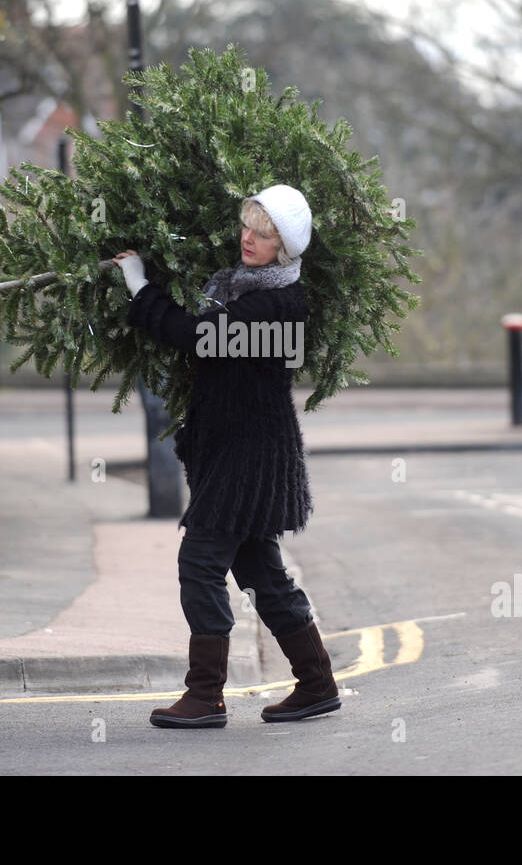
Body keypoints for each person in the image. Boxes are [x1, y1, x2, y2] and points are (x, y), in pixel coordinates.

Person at [111, 184, 341, 729]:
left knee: (200, 561)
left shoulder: (274, 305)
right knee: (262, 573)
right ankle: (317, 683)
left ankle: (206, 694)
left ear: (284, 246)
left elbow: (196, 338)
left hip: (251, 456)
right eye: (248, 225)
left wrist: (140, 288)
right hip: (245, 450)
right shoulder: (244, 289)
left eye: (264, 233)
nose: (249, 238)